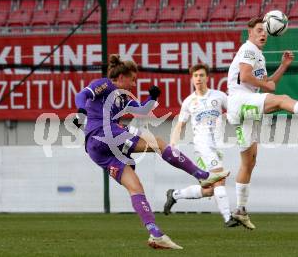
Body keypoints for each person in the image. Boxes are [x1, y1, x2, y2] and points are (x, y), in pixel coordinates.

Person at [73, 55, 229, 249]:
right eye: (132, 79)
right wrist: (80, 112)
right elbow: (82, 95)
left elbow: (142, 110)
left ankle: (155, 233)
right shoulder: (105, 84)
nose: (133, 84)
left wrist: (153, 97)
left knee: (136, 188)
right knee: (160, 144)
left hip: (96, 149)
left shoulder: (123, 98)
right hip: (103, 132)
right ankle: (202, 175)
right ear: (122, 76)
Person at [226, 18, 298, 229]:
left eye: (265, 32)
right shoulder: (248, 49)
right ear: (249, 32)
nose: (263, 34)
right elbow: (245, 76)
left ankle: (240, 211)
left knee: (249, 162)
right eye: (259, 30)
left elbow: (268, 85)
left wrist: (283, 66)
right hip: (240, 102)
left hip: (242, 109)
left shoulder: (256, 55)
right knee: (282, 99)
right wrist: (266, 84)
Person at [163, 64, 239, 227]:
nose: (198, 78)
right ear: (192, 79)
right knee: (219, 178)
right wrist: (173, 144)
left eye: (201, 75)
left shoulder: (219, 96)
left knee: (210, 190)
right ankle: (228, 218)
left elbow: (234, 112)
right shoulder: (189, 101)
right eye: (195, 75)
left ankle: (175, 195)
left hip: (217, 146)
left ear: (207, 77)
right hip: (202, 147)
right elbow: (180, 125)